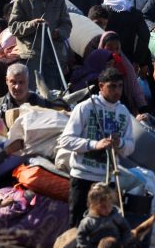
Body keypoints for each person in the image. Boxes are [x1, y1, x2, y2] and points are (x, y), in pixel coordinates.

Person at [58, 66, 136, 229]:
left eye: (120, 86)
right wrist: (94, 145)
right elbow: (65, 140)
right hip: (83, 176)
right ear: (101, 86)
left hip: (108, 179)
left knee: (105, 229)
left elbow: (130, 148)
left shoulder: (123, 112)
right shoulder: (85, 107)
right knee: (78, 227)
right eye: (112, 86)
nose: (117, 91)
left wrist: (119, 143)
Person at [74, 182, 133, 248]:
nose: (107, 209)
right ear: (94, 206)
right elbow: (80, 236)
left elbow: (126, 230)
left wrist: (122, 243)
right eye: (103, 207)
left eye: (109, 206)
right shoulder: (88, 221)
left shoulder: (115, 216)